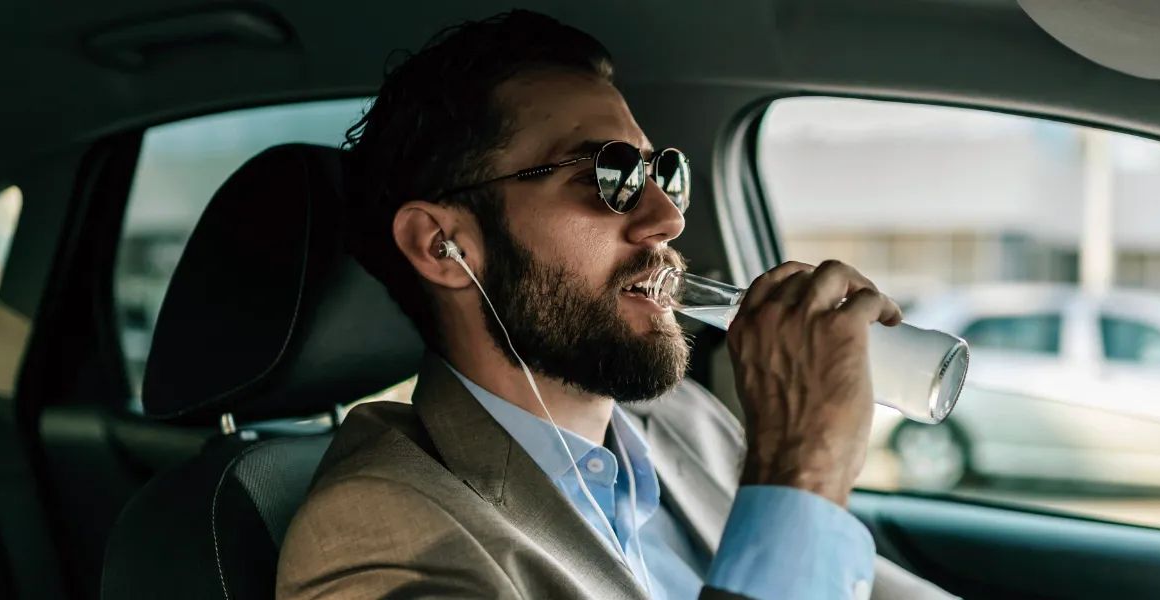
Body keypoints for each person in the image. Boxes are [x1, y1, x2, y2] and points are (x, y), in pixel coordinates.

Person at [275, 9, 956, 600]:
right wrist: (803, 467)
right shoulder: (373, 534)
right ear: (441, 244)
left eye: (661, 172)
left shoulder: (684, 421)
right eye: (608, 175)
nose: (666, 218)